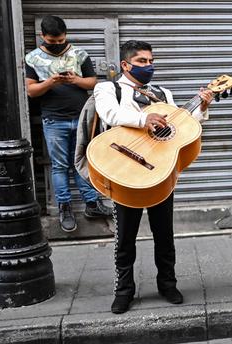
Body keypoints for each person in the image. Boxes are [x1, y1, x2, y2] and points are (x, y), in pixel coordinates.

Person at [94, 40, 214, 314]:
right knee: (125, 237)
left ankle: (167, 284)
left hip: (160, 171)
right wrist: (143, 121)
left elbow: (182, 126)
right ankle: (124, 290)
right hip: (125, 170)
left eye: (151, 61)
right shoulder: (107, 88)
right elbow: (109, 114)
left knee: (165, 234)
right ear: (125, 65)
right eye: (142, 61)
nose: (149, 66)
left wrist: (203, 107)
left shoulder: (162, 93)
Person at [25, 15, 112, 232]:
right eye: (52, 42)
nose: (57, 45)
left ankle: (92, 204)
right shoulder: (33, 58)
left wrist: (75, 80)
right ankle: (65, 207)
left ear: (65, 35)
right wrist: (51, 81)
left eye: (60, 40)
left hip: (81, 117)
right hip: (54, 121)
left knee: (82, 161)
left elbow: (93, 82)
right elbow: (31, 91)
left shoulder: (79, 54)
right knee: (60, 165)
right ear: (42, 36)